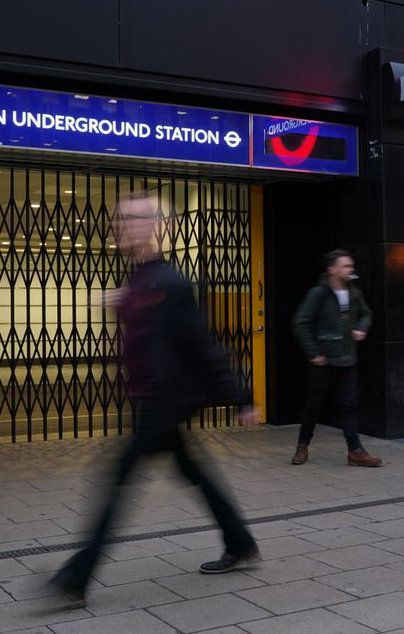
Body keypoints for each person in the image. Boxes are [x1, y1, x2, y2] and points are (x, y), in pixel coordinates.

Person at [49, 195, 260, 609]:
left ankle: (77, 576)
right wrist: (119, 302)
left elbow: (202, 345)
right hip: (151, 399)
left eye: (131, 218)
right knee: (194, 471)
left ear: (154, 226)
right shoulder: (142, 279)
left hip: (162, 402)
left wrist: (242, 398)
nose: (121, 225)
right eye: (118, 218)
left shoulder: (169, 282)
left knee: (116, 481)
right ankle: (239, 541)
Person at [290, 249, 382, 467]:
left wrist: (361, 327)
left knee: (349, 405)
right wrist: (314, 353)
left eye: (351, 266)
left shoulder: (354, 293)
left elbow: (366, 313)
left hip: (347, 359)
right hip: (324, 361)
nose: (350, 270)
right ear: (332, 269)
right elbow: (300, 323)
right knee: (314, 405)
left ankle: (355, 451)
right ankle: (302, 446)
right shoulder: (318, 294)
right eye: (345, 266)